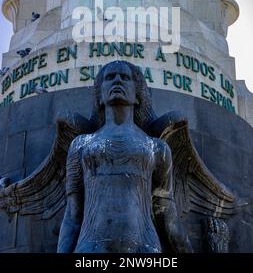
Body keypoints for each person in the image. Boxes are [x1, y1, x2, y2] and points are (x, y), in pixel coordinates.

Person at [57, 61, 193, 253]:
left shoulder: (157, 148)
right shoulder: (80, 145)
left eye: (125, 77)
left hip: (144, 250)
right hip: (90, 249)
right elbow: (72, 215)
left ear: (137, 96)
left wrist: (185, 248)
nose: (117, 81)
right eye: (110, 78)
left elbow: (165, 212)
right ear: (100, 96)